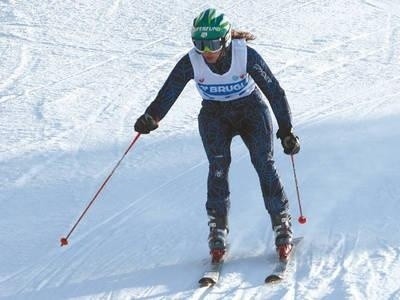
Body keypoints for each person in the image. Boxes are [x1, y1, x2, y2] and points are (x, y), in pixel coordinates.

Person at [134, 8, 300, 262]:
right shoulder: (192, 60)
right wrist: (151, 117)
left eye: (212, 44)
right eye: (199, 44)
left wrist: (286, 129)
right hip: (215, 115)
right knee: (218, 168)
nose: (206, 51)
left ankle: (281, 223)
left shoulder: (246, 55)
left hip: (251, 112)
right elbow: (169, 91)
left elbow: (274, 92)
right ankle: (218, 229)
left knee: (264, 164)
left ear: (224, 40)